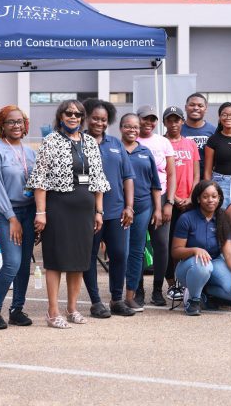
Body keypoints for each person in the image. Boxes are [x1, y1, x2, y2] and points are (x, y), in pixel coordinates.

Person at [28, 100, 110, 329]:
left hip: (85, 211)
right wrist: (41, 212)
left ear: (82, 118)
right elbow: (40, 180)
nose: (73, 117)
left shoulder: (90, 143)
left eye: (78, 114)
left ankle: (72, 308)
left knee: (79, 262)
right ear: (61, 116)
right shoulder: (50, 141)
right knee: (55, 261)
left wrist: (99, 211)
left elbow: (98, 180)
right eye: (69, 113)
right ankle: (52, 311)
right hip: (58, 208)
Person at [81, 99, 135, 319]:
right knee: (90, 257)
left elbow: (128, 177)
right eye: (95, 118)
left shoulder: (115, 143)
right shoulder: (79, 142)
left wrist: (129, 206)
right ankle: (95, 302)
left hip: (116, 212)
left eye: (103, 120)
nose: (99, 123)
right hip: (87, 213)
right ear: (87, 118)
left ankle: (116, 299)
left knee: (120, 255)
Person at [0, 106, 36, 330]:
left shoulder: (31, 151)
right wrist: (12, 218)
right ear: (1, 126)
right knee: (12, 263)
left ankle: (17, 310)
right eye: (10, 122)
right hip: (7, 213)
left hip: (29, 212)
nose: (16, 125)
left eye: (19, 121)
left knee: (24, 264)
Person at [172, 181, 231, 316]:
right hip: (189, 266)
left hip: (214, 261)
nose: (210, 200)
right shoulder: (187, 218)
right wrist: (195, 250)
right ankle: (193, 300)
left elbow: (229, 253)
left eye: (214, 196)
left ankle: (202, 292)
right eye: (205, 196)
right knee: (204, 265)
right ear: (198, 199)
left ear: (219, 198)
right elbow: (175, 251)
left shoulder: (223, 218)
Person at [119, 114, 162, 312]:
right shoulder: (114, 150)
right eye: (128, 126)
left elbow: (155, 184)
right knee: (120, 251)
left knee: (137, 252)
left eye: (135, 127)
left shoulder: (145, 152)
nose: (132, 130)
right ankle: (116, 294)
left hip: (144, 207)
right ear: (120, 128)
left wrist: (158, 209)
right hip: (118, 208)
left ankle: (131, 295)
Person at [136, 105, 176, 307]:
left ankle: (158, 290)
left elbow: (171, 174)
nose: (149, 123)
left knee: (161, 245)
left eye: (152, 119)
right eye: (145, 119)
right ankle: (138, 289)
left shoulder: (163, 142)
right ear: (138, 119)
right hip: (138, 199)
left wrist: (169, 202)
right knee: (138, 245)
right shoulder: (131, 140)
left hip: (160, 198)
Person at [163, 105, 200, 303]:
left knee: (189, 242)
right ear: (165, 123)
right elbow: (163, 174)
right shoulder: (161, 143)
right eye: (170, 120)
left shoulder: (190, 144)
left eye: (177, 119)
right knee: (170, 244)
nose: (174, 123)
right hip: (170, 201)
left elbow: (196, 174)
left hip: (190, 201)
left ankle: (187, 282)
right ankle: (171, 284)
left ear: (182, 122)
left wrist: (192, 197)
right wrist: (174, 199)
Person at [181, 92, 216, 172]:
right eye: (192, 105)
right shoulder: (177, 130)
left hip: (207, 179)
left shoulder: (213, 131)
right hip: (185, 178)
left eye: (200, 106)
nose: (196, 108)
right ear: (186, 107)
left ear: (205, 109)